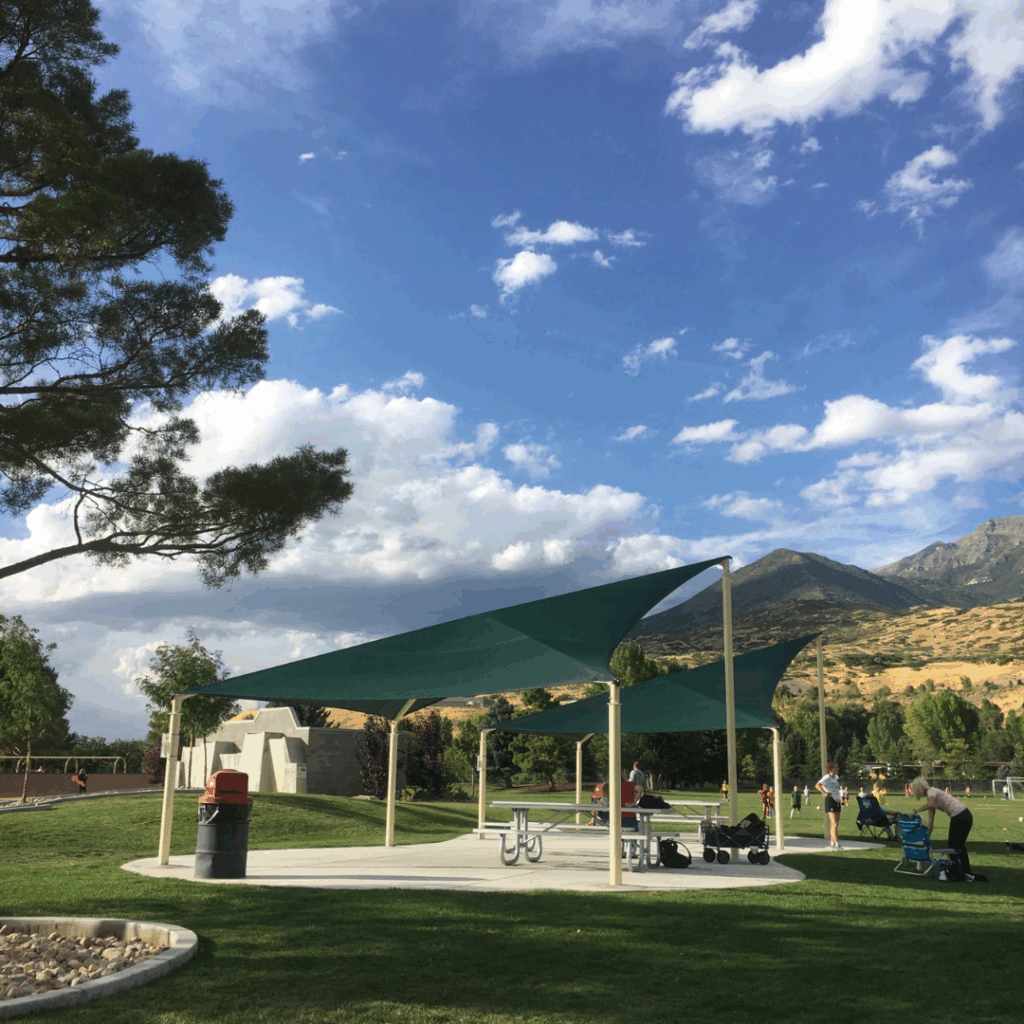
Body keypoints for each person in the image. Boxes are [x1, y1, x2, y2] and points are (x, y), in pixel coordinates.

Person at [910, 775, 986, 882]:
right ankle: (963, 871)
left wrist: (916, 811)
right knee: (957, 846)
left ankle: (961, 871)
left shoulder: (932, 792)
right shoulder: (931, 797)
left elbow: (930, 804)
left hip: (960, 816)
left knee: (954, 846)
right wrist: (927, 836)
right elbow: (931, 820)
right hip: (962, 816)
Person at [816, 762, 843, 850]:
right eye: (836, 767)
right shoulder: (827, 777)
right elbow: (817, 785)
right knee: (834, 823)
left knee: (835, 824)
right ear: (831, 769)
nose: (838, 769)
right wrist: (824, 792)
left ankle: (832, 840)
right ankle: (837, 843)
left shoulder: (836, 777)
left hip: (837, 800)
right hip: (830, 800)